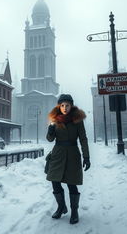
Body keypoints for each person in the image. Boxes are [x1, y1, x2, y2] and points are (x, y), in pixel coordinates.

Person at [46, 94, 90, 224]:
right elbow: (50, 139)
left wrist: (86, 156)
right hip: (57, 154)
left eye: (67, 105)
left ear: (71, 106)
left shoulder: (77, 120)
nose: (65, 108)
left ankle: (74, 211)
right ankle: (61, 207)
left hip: (72, 154)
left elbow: (83, 139)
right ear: (59, 106)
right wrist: (50, 130)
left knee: (72, 184)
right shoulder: (55, 120)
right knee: (55, 181)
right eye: (62, 105)